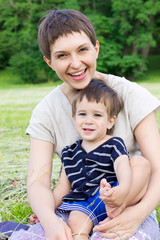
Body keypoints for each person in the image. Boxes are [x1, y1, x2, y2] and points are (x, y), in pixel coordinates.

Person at [9, 9, 160, 240]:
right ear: (49, 61)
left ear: (96, 48)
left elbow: (157, 167)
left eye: (82, 50)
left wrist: (138, 214)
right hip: (77, 204)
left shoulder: (130, 95)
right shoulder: (45, 111)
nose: (76, 63)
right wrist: (49, 220)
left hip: (130, 205)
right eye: (62, 56)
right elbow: (38, 181)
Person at [56, 79, 150, 240]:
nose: (88, 120)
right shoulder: (69, 152)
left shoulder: (113, 143)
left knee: (141, 163)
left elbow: (122, 166)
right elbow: (62, 187)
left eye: (97, 115)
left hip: (113, 195)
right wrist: (45, 210)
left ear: (110, 121)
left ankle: (118, 209)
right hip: (83, 203)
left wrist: (123, 190)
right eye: (82, 114)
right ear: (74, 118)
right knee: (76, 226)